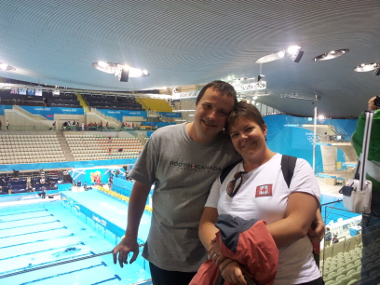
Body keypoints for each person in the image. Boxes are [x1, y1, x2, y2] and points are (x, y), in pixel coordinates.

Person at [112, 80, 241, 285]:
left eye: (222, 112)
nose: (212, 116)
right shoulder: (162, 139)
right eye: (207, 106)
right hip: (164, 256)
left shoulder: (231, 148)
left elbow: (261, 171)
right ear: (196, 105)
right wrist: (130, 236)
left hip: (211, 256)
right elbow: (140, 189)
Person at [197, 101, 322, 285]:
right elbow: (206, 223)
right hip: (240, 279)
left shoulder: (295, 167)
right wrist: (224, 259)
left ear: (264, 129)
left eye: (248, 129)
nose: (243, 137)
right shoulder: (224, 176)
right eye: (235, 134)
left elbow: (298, 225)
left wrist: (231, 246)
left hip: (295, 278)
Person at [351, 96, 380, 284]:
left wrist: (371, 111)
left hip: (375, 199)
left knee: (372, 251)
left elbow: (357, 142)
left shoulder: (369, 121)